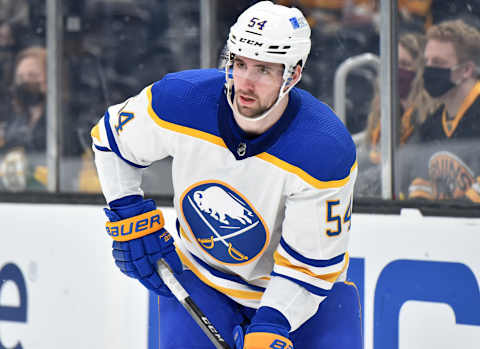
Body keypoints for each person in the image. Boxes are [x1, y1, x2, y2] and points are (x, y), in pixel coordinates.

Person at [91, 2, 361, 348]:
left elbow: (308, 268)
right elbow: (111, 141)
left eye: (263, 70)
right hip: (202, 281)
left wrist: (272, 322)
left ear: (292, 74)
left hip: (304, 302)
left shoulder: (323, 149)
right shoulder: (181, 99)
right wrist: (127, 209)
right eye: (239, 63)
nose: (245, 82)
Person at [355, 32, 436, 198]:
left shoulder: (427, 117)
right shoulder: (385, 109)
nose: (397, 71)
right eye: (393, 63)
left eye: (405, 65)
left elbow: (398, 169)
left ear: (420, 72)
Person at [408, 19, 480, 202]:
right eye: (427, 62)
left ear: (466, 70)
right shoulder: (431, 124)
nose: (429, 70)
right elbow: (420, 194)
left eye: (438, 63)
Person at [0, 46, 48, 191]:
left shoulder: (63, 121)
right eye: (21, 77)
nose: (26, 82)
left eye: (33, 76)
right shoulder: (13, 120)